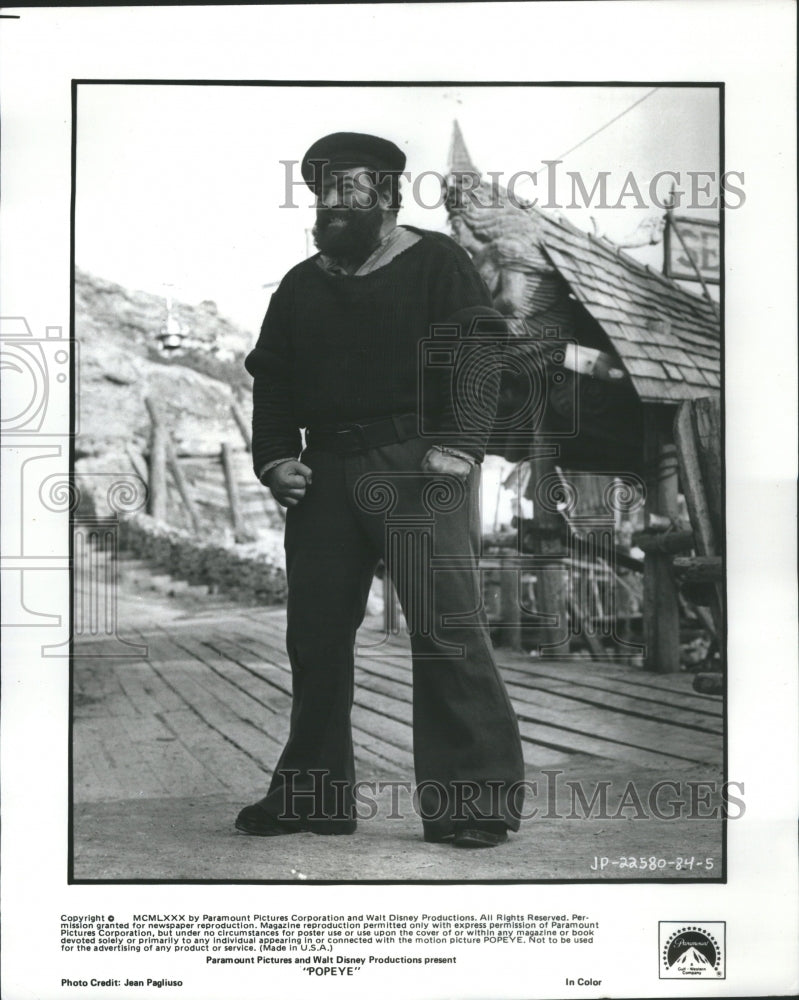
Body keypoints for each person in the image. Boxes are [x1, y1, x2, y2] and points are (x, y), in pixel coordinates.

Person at [235, 131, 525, 848]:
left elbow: (478, 351)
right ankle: (312, 797)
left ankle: (472, 803)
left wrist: (459, 445)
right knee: (315, 637)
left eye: (348, 189)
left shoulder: (435, 262)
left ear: (388, 195)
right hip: (324, 473)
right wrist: (273, 460)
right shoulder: (301, 285)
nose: (331, 204)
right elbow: (271, 380)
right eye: (321, 192)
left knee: (444, 629)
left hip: (418, 465)